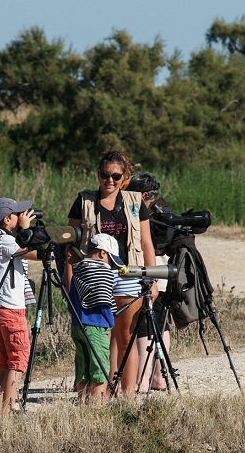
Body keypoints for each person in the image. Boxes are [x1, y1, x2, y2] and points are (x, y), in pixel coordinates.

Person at [66, 149, 157, 396]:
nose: (110, 181)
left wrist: (152, 280)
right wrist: (69, 281)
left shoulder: (135, 202)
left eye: (116, 176)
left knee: (125, 337)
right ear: (98, 174)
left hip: (128, 273)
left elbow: (147, 243)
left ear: (124, 177)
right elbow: (71, 248)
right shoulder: (83, 201)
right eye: (105, 175)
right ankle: (99, 393)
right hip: (93, 276)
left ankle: (127, 396)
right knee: (98, 336)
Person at [0, 197, 38, 413]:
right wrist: (26, 231)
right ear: (7, 219)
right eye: (18, 214)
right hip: (11, 310)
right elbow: (34, 253)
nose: (23, 216)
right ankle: (6, 413)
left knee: (4, 361)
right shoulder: (6, 241)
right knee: (18, 361)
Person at [125, 172, 173, 392]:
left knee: (143, 326)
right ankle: (159, 378)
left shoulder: (140, 211)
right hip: (165, 273)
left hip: (148, 273)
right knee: (162, 323)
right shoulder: (165, 209)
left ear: (142, 194)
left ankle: (141, 381)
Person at [69, 234, 121, 404]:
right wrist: (111, 320)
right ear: (102, 253)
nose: (111, 264)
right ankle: (97, 408)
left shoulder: (79, 269)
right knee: (99, 369)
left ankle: (83, 405)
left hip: (78, 324)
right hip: (96, 325)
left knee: (83, 368)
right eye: (111, 259)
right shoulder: (102, 270)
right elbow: (103, 300)